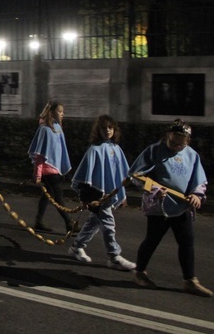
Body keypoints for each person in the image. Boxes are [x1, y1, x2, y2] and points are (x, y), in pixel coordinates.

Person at [127, 119, 213, 297]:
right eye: (172, 142)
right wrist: (154, 188)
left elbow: (200, 179)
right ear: (167, 135)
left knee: (187, 242)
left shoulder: (191, 155)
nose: (175, 146)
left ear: (187, 142)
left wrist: (197, 195)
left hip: (181, 207)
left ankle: (189, 280)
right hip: (159, 206)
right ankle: (139, 272)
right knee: (152, 240)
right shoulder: (154, 151)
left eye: (180, 144)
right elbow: (136, 175)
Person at [68, 115, 136, 271]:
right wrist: (86, 197)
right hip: (97, 194)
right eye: (104, 128)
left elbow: (122, 174)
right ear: (98, 130)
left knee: (94, 222)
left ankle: (76, 247)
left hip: (110, 194)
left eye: (110, 127)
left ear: (114, 130)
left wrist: (122, 194)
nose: (107, 130)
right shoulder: (94, 149)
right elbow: (86, 175)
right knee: (108, 224)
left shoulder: (116, 148)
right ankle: (114, 256)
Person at [28, 101, 74, 233]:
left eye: (62, 111)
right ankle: (69, 223)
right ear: (52, 112)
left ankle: (38, 221)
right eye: (60, 111)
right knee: (58, 196)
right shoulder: (44, 129)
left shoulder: (57, 128)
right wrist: (37, 175)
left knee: (47, 195)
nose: (62, 114)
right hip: (48, 171)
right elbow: (40, 155)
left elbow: (59, 151)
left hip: (55, 169)